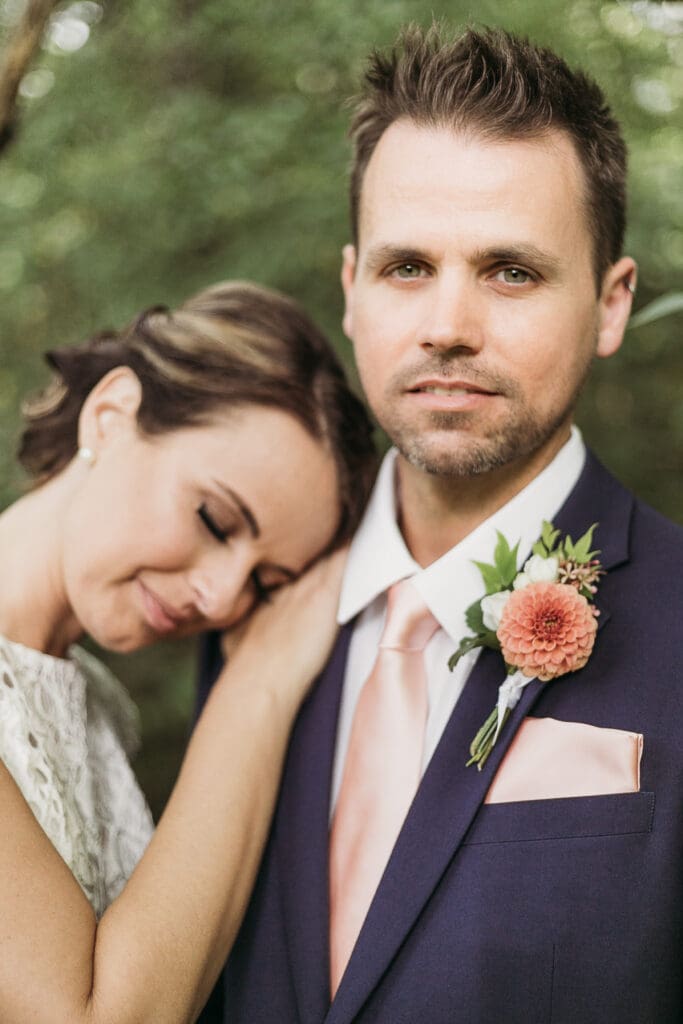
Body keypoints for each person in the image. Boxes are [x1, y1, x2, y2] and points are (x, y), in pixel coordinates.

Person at [199, 25, 683, 1024]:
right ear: (349, 290)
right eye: (405, 266)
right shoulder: (238, 607)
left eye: (510, 270)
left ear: (608, 301)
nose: (446, 324)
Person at [0, 279, 377, 1023]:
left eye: (267, 583)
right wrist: (257, 688)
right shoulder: (235, 692)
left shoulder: (100, 711)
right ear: (110, 416)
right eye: (214, 519)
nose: (223, 598)